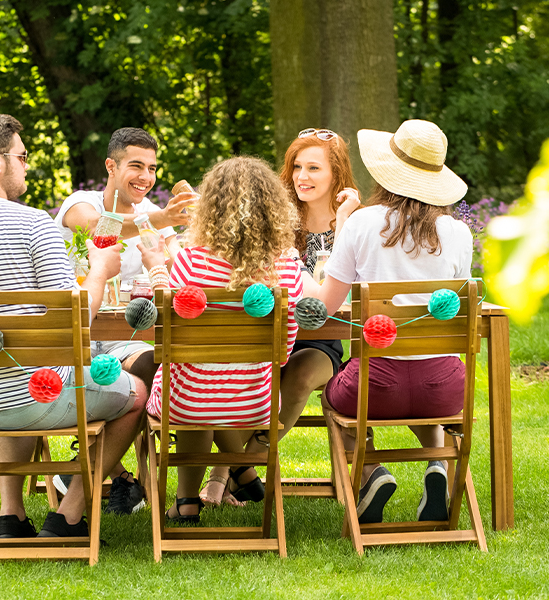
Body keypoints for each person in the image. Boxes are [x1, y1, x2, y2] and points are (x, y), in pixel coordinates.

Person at [0, 112, 148, 538]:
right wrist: (99, 270)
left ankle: (11, 517)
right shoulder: (33, 223)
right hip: (40, 395)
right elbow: (75, 319)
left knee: (14, 372)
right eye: (22, 157)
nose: (27, 165)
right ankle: (70, 515)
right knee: (136, 393)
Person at [313, 119, 474, 524]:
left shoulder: (363, 224)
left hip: (375, 389)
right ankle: (437, 467)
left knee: (332, 393)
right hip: (445, 390)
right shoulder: (458, 232)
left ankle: (371, 473)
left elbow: (328, 305)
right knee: (424, 388)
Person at [198, 128, 361, 507]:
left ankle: (240, 466)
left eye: (314, 168)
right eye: (297, 167)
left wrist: (346, 222)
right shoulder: (277, 217)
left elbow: (342, 293)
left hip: (319, 338)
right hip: (264, 335)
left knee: (302, 375)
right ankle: (235, 476)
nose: (302, 176)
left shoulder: (355, 221)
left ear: (336, 174)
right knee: (242, 377)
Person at [138, 156, 304, 523]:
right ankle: (241, 471)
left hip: (184, 403)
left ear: (210, 207)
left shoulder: (191, 262)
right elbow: (285, 349)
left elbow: (162, 331)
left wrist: (155, 266)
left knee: (197, 383)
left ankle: (187, 501)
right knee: (214, 384)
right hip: (255, 403)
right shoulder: (288, 266)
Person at [51, 127, 194, 513]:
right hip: (77, 335)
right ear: (111, 166)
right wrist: (160, 219)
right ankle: (117, 476)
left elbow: (180, 268)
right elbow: (98, 230)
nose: (145, 177)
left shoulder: (153, 215)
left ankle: (90, 469)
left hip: (127, 337)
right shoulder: (81, 202)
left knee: (153, 365)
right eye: (136, 166)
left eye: (151, 168)